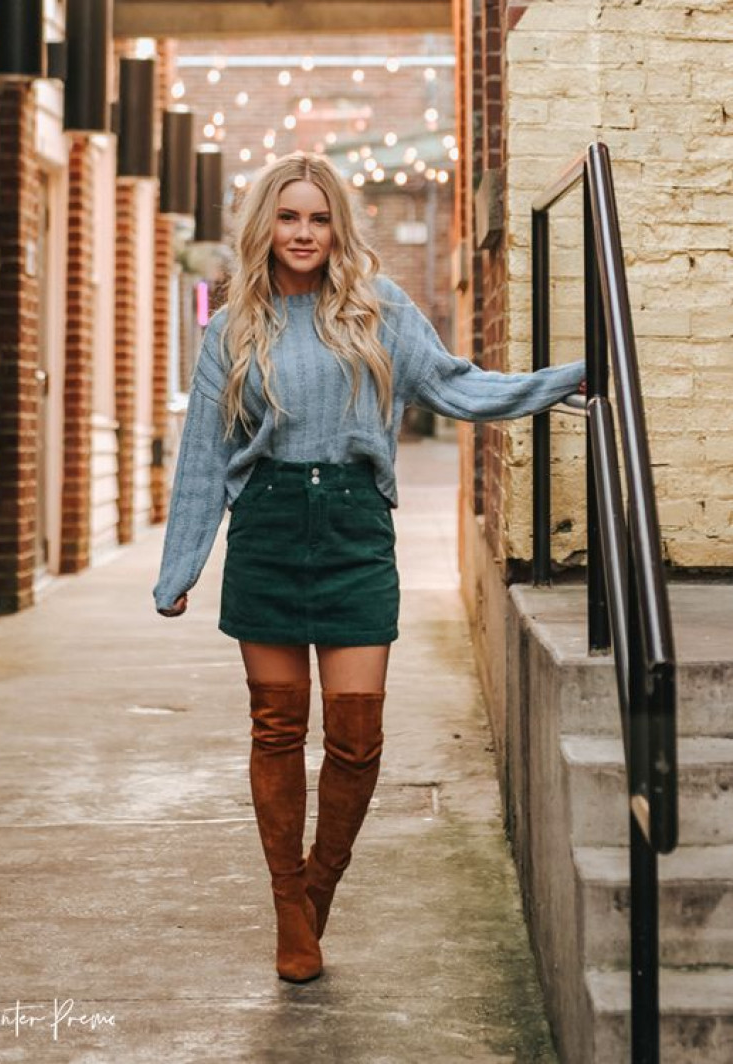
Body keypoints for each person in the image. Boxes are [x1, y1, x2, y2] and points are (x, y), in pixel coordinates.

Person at [153, 151, 585, 985]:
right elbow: (204, 456)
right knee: (277, 728)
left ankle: (317, 890)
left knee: (356, 739)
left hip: (354, 529)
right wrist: (182, 564)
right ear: (264, 228)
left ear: (338, 226)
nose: (304, 233)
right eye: (288, 217)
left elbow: (459, 387)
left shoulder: (380, 309)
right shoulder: (232, 325)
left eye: (318, 218)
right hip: (270, 528)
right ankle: (289, 908)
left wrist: (563, 382)